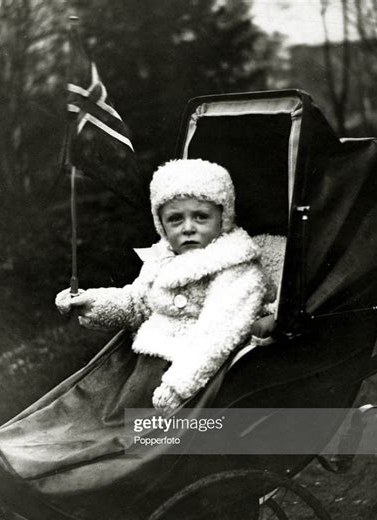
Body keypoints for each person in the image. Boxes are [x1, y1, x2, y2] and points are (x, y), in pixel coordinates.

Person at [56, 158, 273, 415]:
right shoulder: (163, 259)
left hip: (198, 376)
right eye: (175, 219)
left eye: (201, 217)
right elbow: (139, 303)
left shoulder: (237, 265)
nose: (188, 228)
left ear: (223, 219)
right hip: (144, 365)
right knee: (79, 409)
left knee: (133, 439)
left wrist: (179, 386)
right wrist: (94, 303)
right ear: (161, 225)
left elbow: (219, 333)